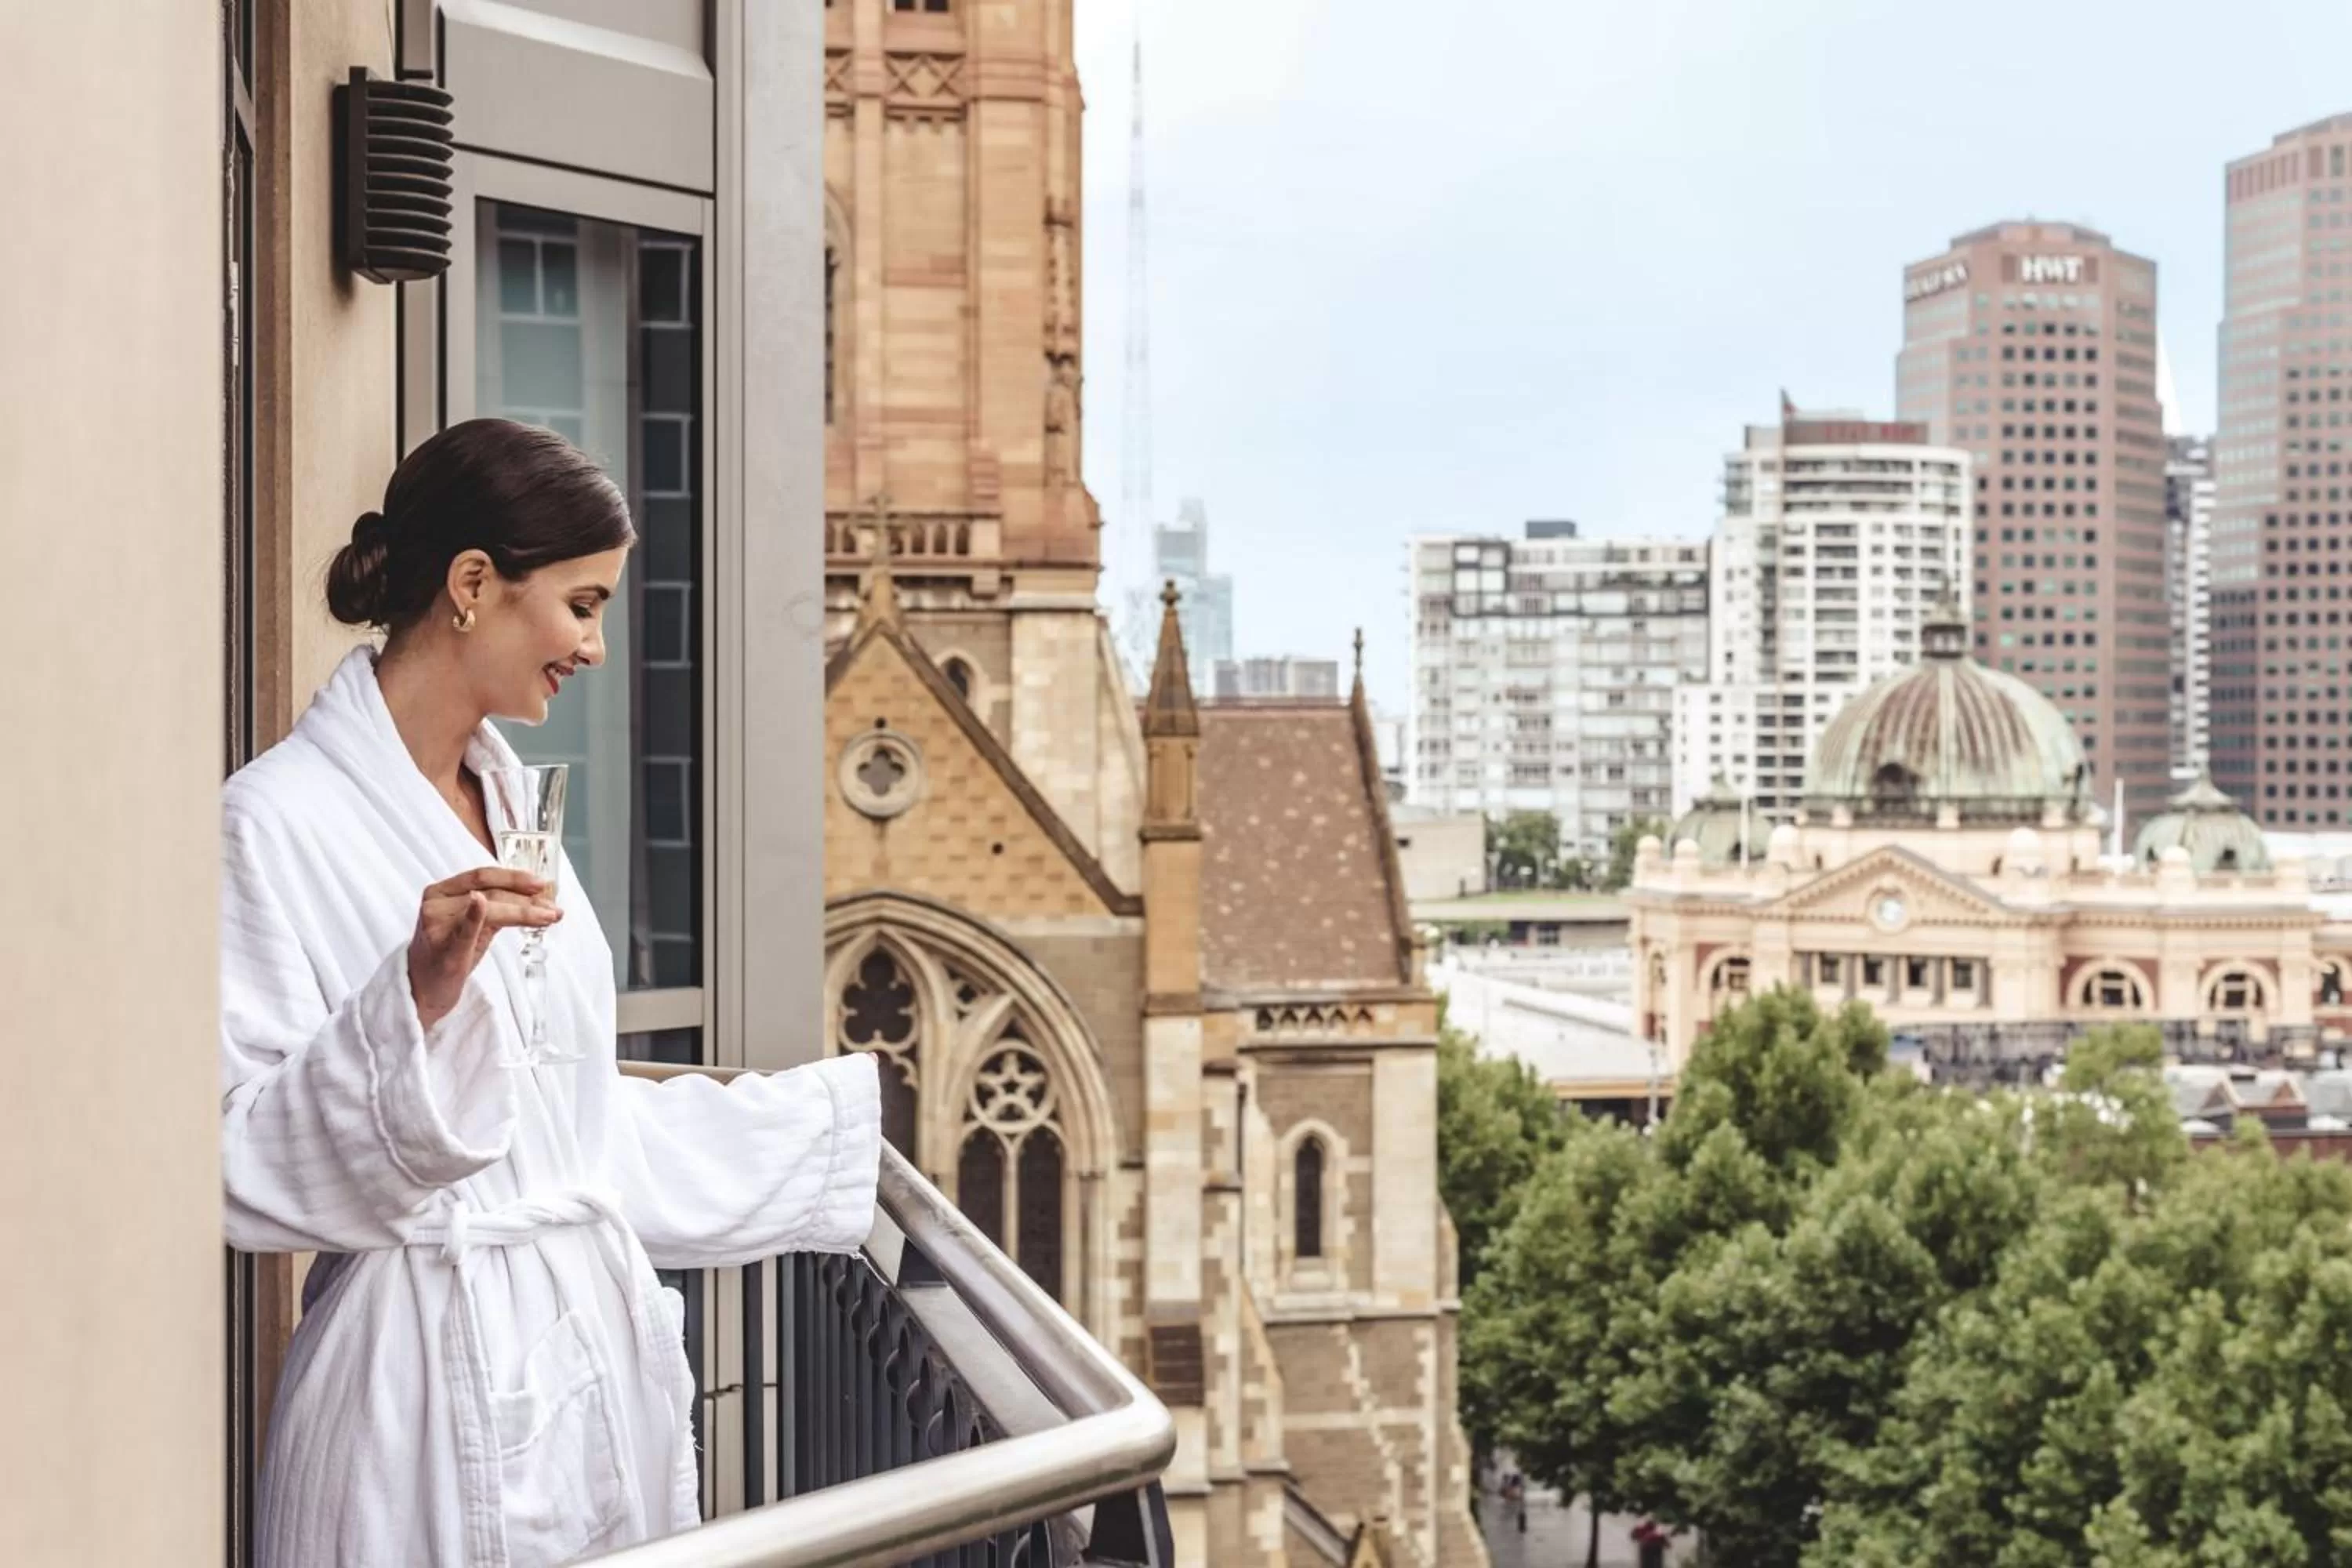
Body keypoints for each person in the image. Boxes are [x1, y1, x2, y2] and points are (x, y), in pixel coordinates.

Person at [220, 419, 882, 1566]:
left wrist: (831, 1137)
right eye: (583, 605)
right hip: (410, 1405)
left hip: (577, 1371)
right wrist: (410, 1003)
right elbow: (232, 1162)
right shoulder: (271, 823)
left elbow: (558, 1123)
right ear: (473, 584)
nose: (597, 648)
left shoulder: (511, 802)